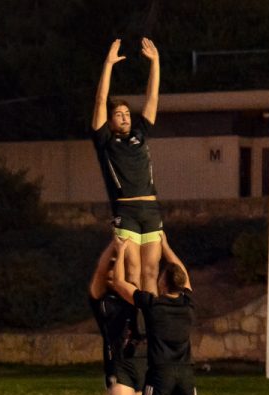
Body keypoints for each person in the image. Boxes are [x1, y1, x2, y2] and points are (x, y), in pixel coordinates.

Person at [109, 234, 218, 395]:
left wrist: (121, 251)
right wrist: (167, 247)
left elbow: (119, 283)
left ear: (163, 282)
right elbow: (185, 275)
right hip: (185, 375)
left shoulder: (152, 304)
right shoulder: (187, 304)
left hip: (159, 376)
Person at [92, 37, 163, 295]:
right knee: (132, 271)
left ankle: (154, 326)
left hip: (150, 207)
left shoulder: (140, 133)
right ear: (110, 121)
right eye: (119, 114)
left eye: (126, 114)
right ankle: (134, 328)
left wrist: (155, 63)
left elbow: (152, 98)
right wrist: (108, 64)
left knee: (151, 272)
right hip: (127, 209)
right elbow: (101, 101)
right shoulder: (105, 140)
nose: (124, 117)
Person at [88, 239, 145, 395]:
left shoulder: (134, 295)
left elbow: (136, 270)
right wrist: (116, 245)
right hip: (118, 365)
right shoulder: (101, 299)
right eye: (112, 269)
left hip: (141, 365)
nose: (114, 270)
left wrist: (130, 241)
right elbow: (101, 270)